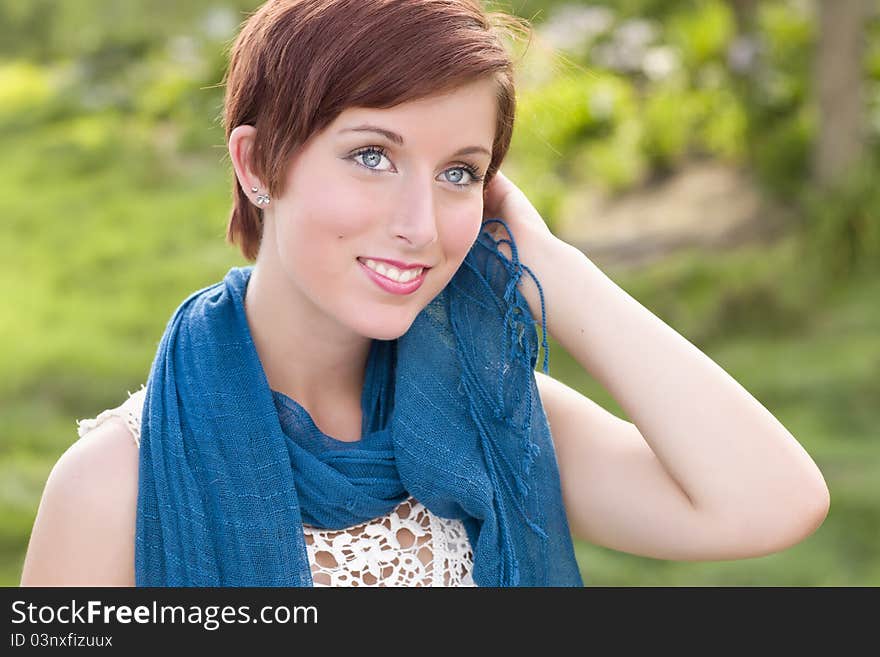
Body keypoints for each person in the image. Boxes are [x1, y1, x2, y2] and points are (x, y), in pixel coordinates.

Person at [20, 0, 829, 587]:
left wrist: (551, 268)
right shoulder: (113, 487)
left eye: (459, 173)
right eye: (373, 154)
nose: (420, 223)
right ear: (258, 165)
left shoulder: (489, 414)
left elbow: (769, 502)